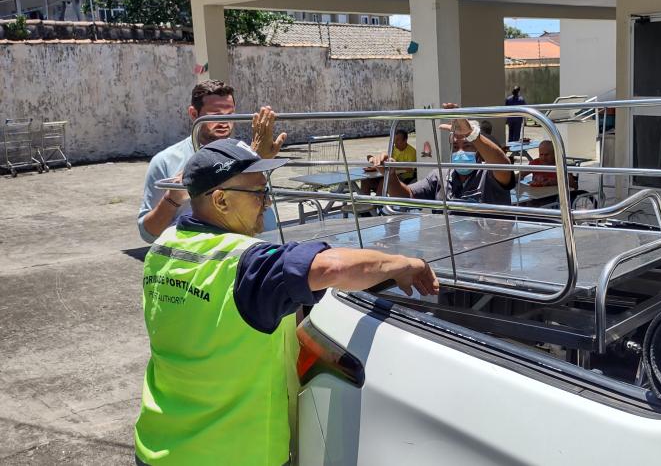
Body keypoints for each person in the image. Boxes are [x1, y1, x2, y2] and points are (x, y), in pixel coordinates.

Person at [134, 138, 438, 465]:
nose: (267, 202)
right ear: (220, 200)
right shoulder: (245, 266)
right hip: (230, 454)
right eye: (258, 193)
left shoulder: (163, 247)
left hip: (157, 444)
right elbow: (333, 266)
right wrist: (405, 265)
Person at [137, 80, 286, 243]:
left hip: (256, 246)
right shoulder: (166, 161)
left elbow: (261, 210)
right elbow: (148, 233)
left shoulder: (246, 150)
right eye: (215, 115)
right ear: (194, 114)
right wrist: (172, 198)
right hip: (203, 254)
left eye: (230, 115)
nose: (224, 122)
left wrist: (255, 159)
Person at [369, 104, 516, 205]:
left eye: (467, 146)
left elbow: (504, 167)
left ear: (478, 151)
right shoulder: (440, 176)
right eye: (455, 147)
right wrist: (390, 175)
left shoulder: (489, 174)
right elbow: (406, 196)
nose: (460, 152)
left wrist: (472, 134)